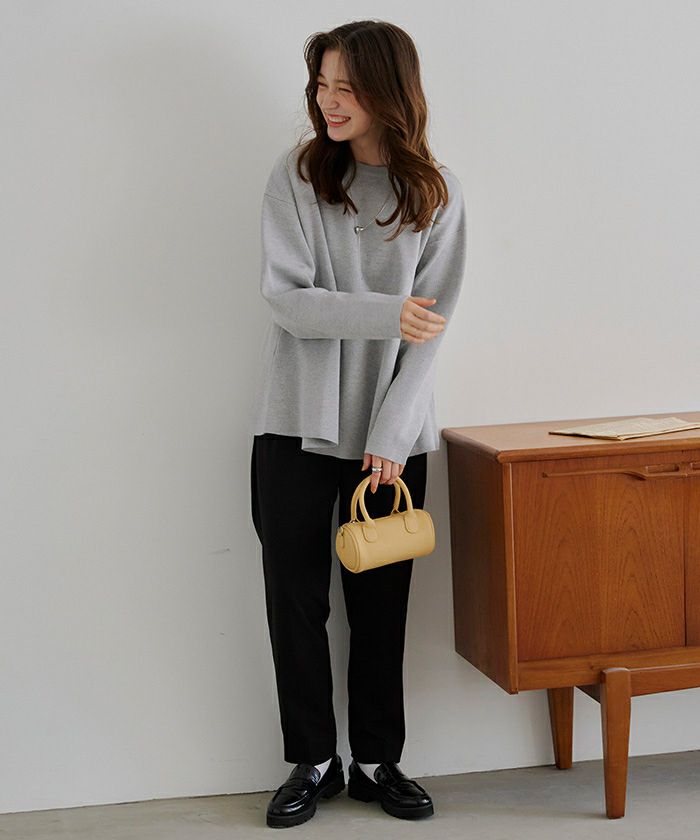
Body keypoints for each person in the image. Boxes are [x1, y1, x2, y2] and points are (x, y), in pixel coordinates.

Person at [249, 19, 467, 829]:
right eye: (321, 85)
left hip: (391, 436)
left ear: (387, 92)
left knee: (381, 607)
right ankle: (313, 760)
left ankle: (378, 760)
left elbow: (434, 328)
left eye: (346, 87)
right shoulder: (298, 174)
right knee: (295, 602)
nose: (328, 102)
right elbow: (286, 298)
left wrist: (392, 434)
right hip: (294, 425)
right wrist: (387, 313)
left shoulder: (435, 192)